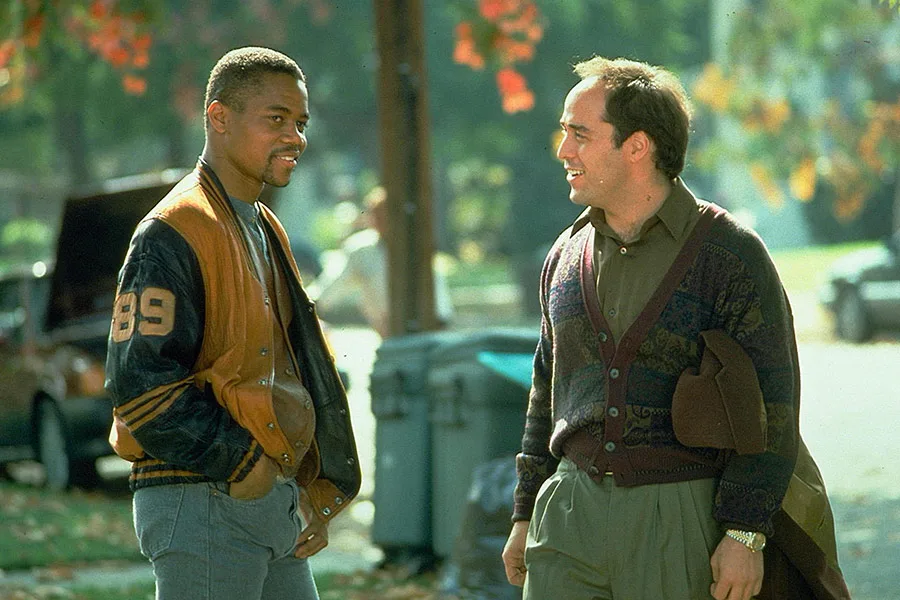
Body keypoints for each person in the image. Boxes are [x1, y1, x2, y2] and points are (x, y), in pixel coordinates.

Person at [501, 56, 845, 600]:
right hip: (567, 516)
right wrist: (525, 513)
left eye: (580, 134)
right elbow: (546, 391)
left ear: (637, 147)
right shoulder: (564, 255)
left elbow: (774, 404)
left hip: (679, 518)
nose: (564, 150)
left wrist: (745, 531)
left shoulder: (729, 254)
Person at [104, 47, 360, 600]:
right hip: (202, 499)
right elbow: (139, 386)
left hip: (266, 499)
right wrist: (245, 465)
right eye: (276, 119)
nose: (295, 137)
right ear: (219, 117)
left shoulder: (264, 224)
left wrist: (305, 483)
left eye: (300, 123)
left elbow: (285, 366)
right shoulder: (173, 228)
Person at [310, 185, 453, 338]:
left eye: (387, 215)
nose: (381, 221)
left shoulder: (417, 247)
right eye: (376, 215)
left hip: (428, 336)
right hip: (389, 337)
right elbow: (329, 289)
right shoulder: (361, 250)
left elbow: (441, 309)